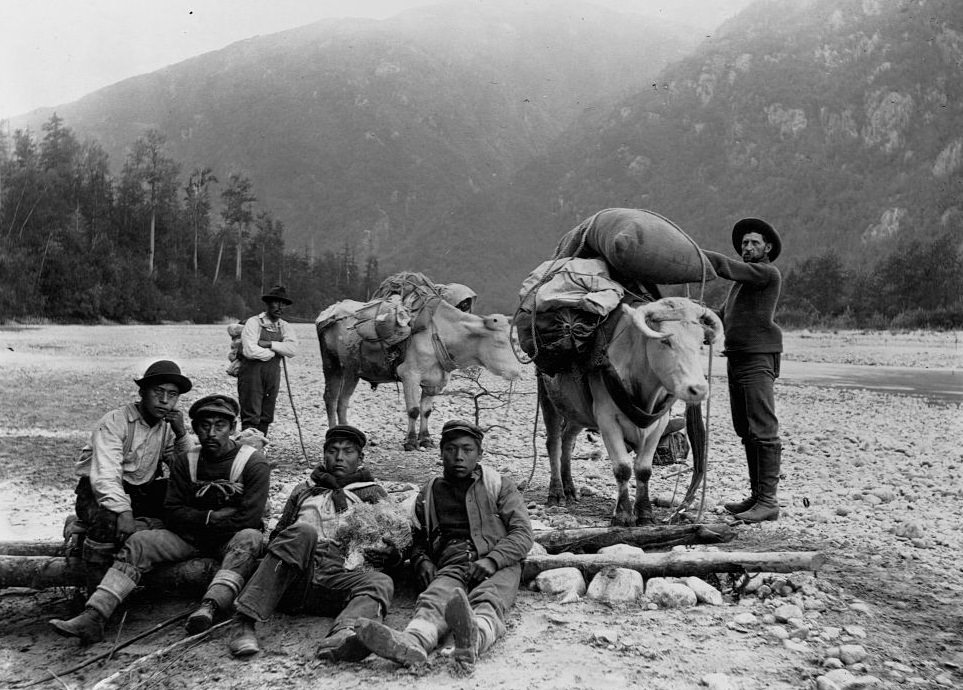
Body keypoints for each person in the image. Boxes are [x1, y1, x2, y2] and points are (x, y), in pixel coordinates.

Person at [50, 395, 270, 643]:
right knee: (141, 542)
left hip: (227, 541)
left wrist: (195, 517)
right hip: (188, 538)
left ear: (233, 428)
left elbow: (249, 518)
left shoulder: (253, 462)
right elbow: (172, 511)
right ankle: (95, 615)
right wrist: (210, 516)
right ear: (195, 428)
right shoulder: (187, 461)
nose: (211, 433)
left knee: (250, 538)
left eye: (220, 426)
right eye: (204, 426)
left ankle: (210, 606)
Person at [356, 419, 534, 668]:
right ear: (441, 453)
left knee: (490, 598)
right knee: (435, 595)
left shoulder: (499, 485)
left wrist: (492, 560)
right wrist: (421, 560)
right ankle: (413, 643)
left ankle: (474, 639)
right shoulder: (429, 493)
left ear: (479, 454)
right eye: (451, 449)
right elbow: (416, 537)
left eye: (467, 449)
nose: (459, 456)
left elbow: (523, 533)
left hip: (499, 560)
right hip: (451, 562)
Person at [227, 424, 399, 661]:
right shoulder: (304, 490)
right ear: (324, 453)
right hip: (294, 577)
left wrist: (389, 554)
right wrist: (296, 543)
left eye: (348, 451)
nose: (339, 457)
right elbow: (278, 535)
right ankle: (244, 622)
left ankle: (344, 634)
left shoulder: (372, 493)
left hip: (337, 580)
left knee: (381, 581)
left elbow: (396, 538)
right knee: (304, 532)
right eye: (333, 450)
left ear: (360, 458)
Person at [70, 360, 193, 591]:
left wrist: (181, 433)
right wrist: (123, 511)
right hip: (97, 493)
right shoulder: (115, 421)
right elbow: (105, 475)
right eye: (158, 392)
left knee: (184, 500)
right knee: (108, 519)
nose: (165, 400)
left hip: (139, 491)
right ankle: (92, 591)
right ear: (142, 392)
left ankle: (149, 558)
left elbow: (185, 471)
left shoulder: (166, 426)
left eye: (172, 395)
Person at [703, 218, 784, 523]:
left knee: (763, 428)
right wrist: (696, 314)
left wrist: (693, 256)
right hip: (737, 357)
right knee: (746, 430)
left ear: (768, 248)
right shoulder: (742, 283)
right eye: (744, 244)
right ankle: (756, 496)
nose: (747, 247)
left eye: (754, 243)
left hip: (758, 357)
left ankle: (768, 501)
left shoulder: (765, 273)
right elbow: (723, 315)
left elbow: (725, 266)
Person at [237, 284, 297, 435]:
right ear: (268, 303)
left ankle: (260, 448)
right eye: (276, 302)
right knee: (251, 414)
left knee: (267, 414)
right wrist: (273, 352)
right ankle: (248, 449)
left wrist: (270, 344)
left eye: (283, 303)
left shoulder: (284, 326)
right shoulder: (254, 322)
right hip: (251, 373)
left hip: (272, 374)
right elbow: (250, 350)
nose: (280, 307)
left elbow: (292, 349)